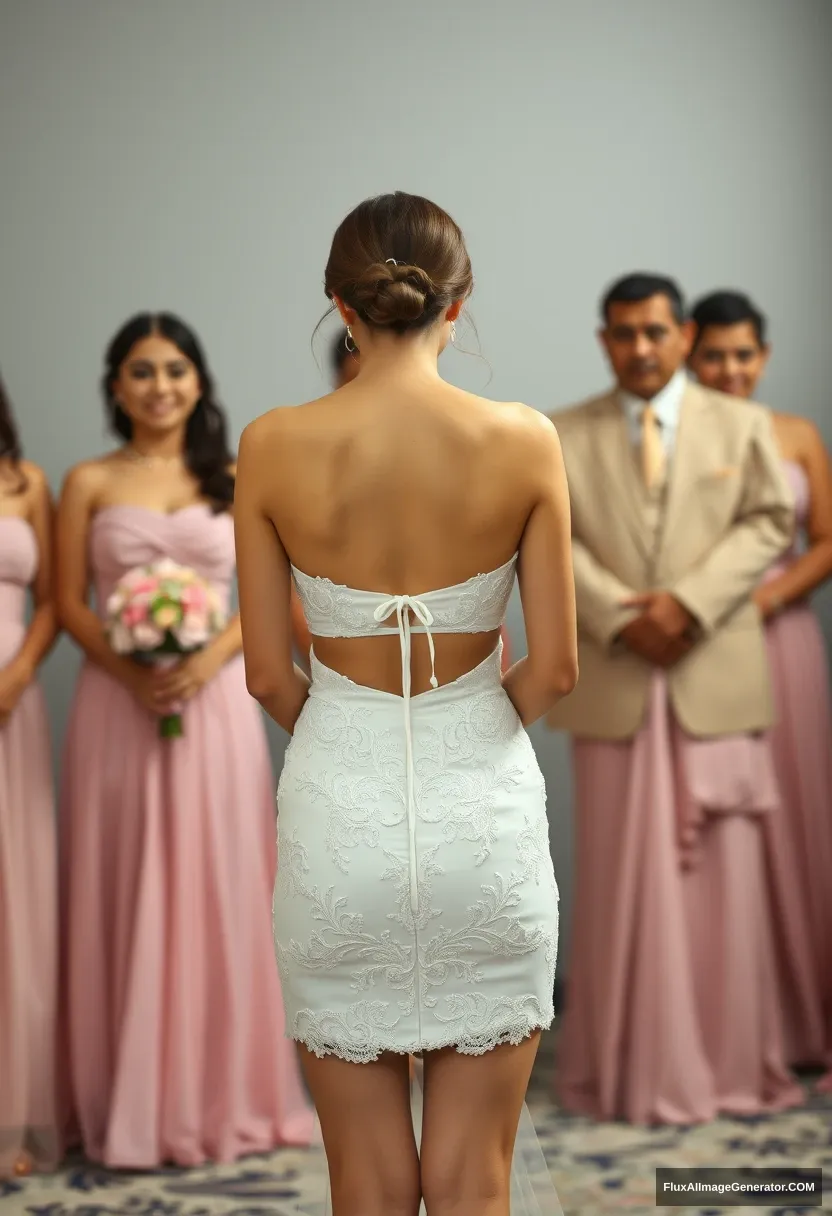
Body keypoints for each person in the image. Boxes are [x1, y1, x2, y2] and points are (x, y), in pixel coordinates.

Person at [235, 191, 576, 1216]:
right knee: (477, 1179)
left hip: (341, 825)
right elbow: (554, 667)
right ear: (455, 307)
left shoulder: (271, 443)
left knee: (368, 1186)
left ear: (338, 304)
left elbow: (263, 675)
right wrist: (468, 717)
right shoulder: (523, 438)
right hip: (487, 825)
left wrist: (350, 732)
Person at [57, 313, 313, 1168]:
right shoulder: (87, 481)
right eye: (140, 370)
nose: (160, 384)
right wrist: (133, 673)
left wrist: (205, 661)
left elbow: (267, 593)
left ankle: (220, 1094)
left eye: (175, 368)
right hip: (114, 708)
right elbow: (64, 604)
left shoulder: (236, 474)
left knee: (218, 880)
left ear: (198, 380)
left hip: (213, 708)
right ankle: (116, 1099)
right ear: (115, 384)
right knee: (120, 879)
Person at [548, 273, 802, 1124]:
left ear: (684, 335)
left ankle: (729, 1069)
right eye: (622, 334)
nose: (640, 349)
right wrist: (627, 619)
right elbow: (549, 543)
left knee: (723, 886)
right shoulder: (562, 432)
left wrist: (686, 606)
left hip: (714, 672)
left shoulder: (743, 422)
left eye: (655, 332)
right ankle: (622, 1072)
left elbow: (769, 521)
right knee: (619, 880)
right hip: (616, 677)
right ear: (604, 340)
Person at [689, 290, 832, 1072]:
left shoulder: (798, 435)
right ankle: (734, 1027)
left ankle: (803, 1018)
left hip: (785, 644)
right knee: (725, 832)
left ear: (764, 357)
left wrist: (768, 598)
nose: (730, 368)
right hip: (706, 650)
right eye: (714, 354)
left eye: (744, 353)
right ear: (689, 355)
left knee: (797, 816)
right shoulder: (676, 443)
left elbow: (827, 540)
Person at [292, 328, 515, 675]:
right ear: (337, 385)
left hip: (459, 678)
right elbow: (295, 597)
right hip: (349, 690)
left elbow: (480, 583)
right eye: (362, 389)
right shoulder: (304, 475)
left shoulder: (460, 464)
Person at [0, 373, 59, 1179]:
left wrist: (16, 676)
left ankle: (11, 1115)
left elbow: (50, 599)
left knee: (15, 903)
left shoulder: (27, 481)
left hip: (13, 705)